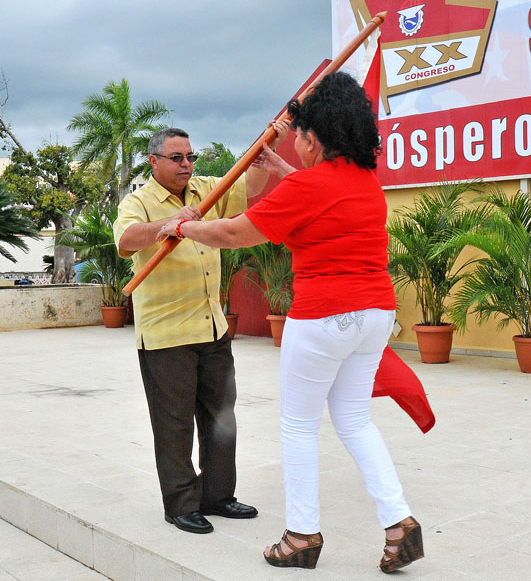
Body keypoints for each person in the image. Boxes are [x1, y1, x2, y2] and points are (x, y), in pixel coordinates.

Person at [158, 73, 424, 572]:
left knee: (299, 426)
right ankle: (398, 521)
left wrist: (183, 225)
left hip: (323, 317)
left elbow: (234, 233)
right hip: (374, 315)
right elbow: (321, 199)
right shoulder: (365, 181)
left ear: (314, 137)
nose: (296, 144)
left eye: (300, 136)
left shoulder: (307, 187)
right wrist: (281, 167)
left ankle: (302, 535)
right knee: (354, 419)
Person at [113, 125, 284, 535]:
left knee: (221, 415)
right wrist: (168, 224)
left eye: (190, 157)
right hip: (166, 333)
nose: (187, 164)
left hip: (212, 327)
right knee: (173, 424)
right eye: (177, 158)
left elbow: (248, 189)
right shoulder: (139, 201)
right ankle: (181, 505)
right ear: (153, 161)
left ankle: (219, 496)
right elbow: (126, 239)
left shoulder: (207, 188)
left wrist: (261, 157)